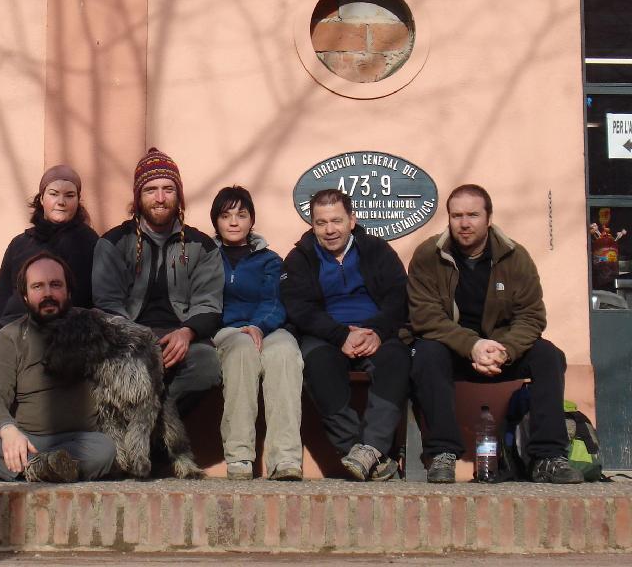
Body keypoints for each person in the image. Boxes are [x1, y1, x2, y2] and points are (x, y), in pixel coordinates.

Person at [407, 184, 583, 484]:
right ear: (449, 219)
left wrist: (506, 349)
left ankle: (548, 457)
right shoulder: (428, 256)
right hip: (453, 349)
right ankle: (442, 453)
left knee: (548, 356)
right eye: (457, 216)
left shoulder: (515, 257)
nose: (464, 223)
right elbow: (425, 317)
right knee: (426, 353)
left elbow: (531, 316)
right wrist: (472, 345)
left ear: (489, 218)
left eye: (473, 215)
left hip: (501, 351)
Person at [0, 252, 116, 482]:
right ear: (25, 296)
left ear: (69, 291)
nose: (48, 293)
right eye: (37, 286)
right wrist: (8, 431)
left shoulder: (96, 326)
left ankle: (2, 465)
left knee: (105, 449)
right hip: (23, 438)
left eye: (56, 285)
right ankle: (40, 467)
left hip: (77, 442)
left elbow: (136, 343)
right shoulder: (10, 337)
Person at [281, 189, 411, 481]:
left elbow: (398, 297)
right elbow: (299, 308)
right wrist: (340, 335)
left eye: (336, 221)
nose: (329, 230)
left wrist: (376, 331)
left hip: (375, 332)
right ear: (313, 225)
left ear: (352, 220)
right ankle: (361, 452)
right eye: (321, 223)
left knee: (397, 359)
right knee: (318, 365)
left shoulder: (377, 250)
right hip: (325, 335)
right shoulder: (300, 258)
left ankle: (371, 447)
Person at [92, 148, 223, 413]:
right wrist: (139, 339)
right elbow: (107, 302)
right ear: (138, 197)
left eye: (168, 189)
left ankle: (154, 422)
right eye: (151, 190)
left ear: (179, 196)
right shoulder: (113, 243)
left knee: (208, 364)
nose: (160, 198)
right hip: (129, 336)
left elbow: (208, 303)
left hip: (180, 337)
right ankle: (155, 426)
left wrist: (187, 332)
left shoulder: (202, 246)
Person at [0, 164, 98, 405]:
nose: (61, 202)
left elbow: (92, 296)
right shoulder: (20, 243)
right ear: (42, 199)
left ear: (78, 202)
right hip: (14, 322)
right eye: (54, 194)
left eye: (69, 195)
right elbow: (0, 295)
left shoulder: (90, 242)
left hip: (61, 322)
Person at [210, 186, 304, 481]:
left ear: (252, 220)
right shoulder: (205, 256)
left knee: (285, 352)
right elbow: (204, 300)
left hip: (268, 327)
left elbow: (274, 300)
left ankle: (285, 458)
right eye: (226, 215)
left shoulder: (270, 259)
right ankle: (239, 456)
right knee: (242, 350)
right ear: (216, 220)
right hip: (226, 330)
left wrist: (259, 325)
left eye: (241, 215)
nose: (233, 222)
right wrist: (238, 328)